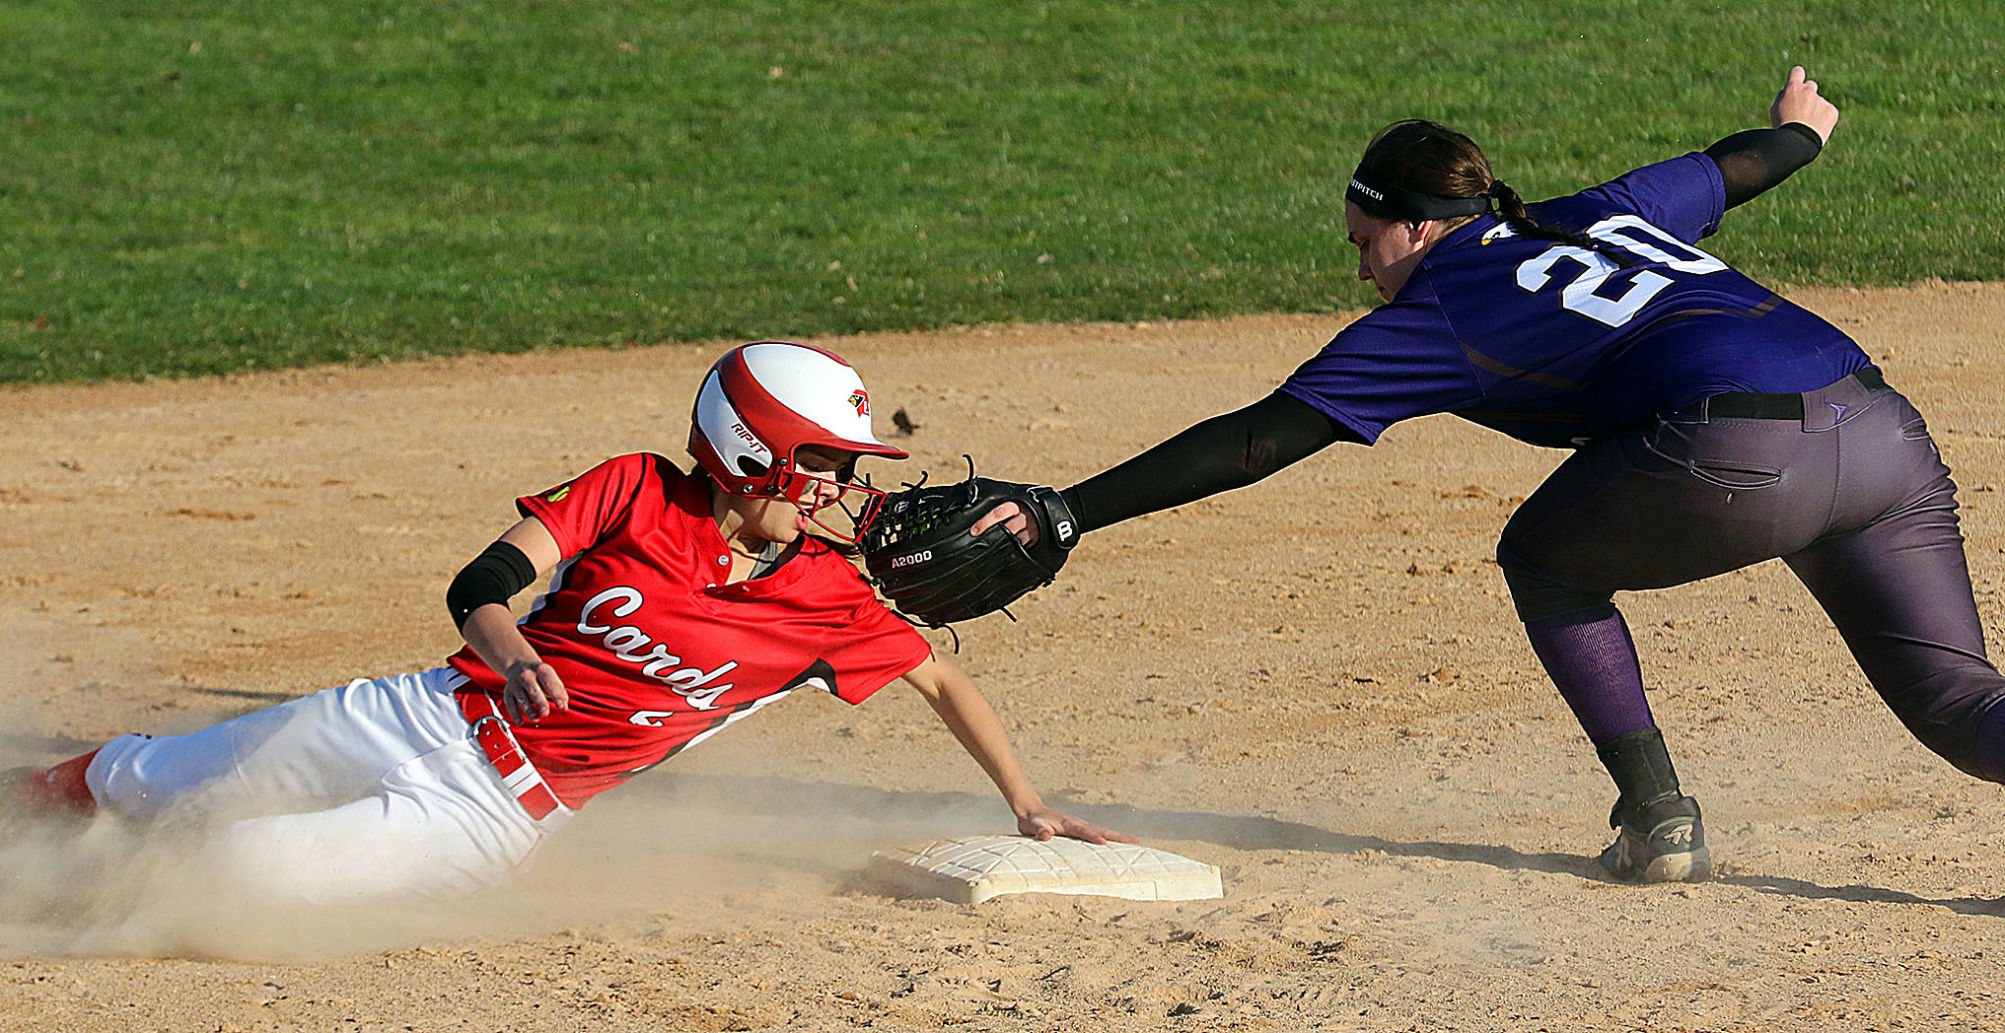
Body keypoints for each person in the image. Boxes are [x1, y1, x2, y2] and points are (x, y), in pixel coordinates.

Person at [974, 67, 2005, 884]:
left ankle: (1657, 817)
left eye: (1366, 242)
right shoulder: (1609, 207)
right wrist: (1803, 131)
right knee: (1963, 707)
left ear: (1418, 225)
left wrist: (1067, 509)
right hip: (1879, 431)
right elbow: (1739, 165)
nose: (1362, 268)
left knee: (1546, 559)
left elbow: (1255, 442)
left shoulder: (1434, 311)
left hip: (1730, 454)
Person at [3, 340, 1130, 909]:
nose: (842, 483)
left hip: (484, 812)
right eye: (826, 461)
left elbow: (940, 680)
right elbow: (483, 584)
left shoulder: (831, 604)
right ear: (751, 453)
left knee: (234, 872)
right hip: (414, 711)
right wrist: (514, 651)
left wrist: (1025, 803)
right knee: (143, 782)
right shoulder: (635, 487)